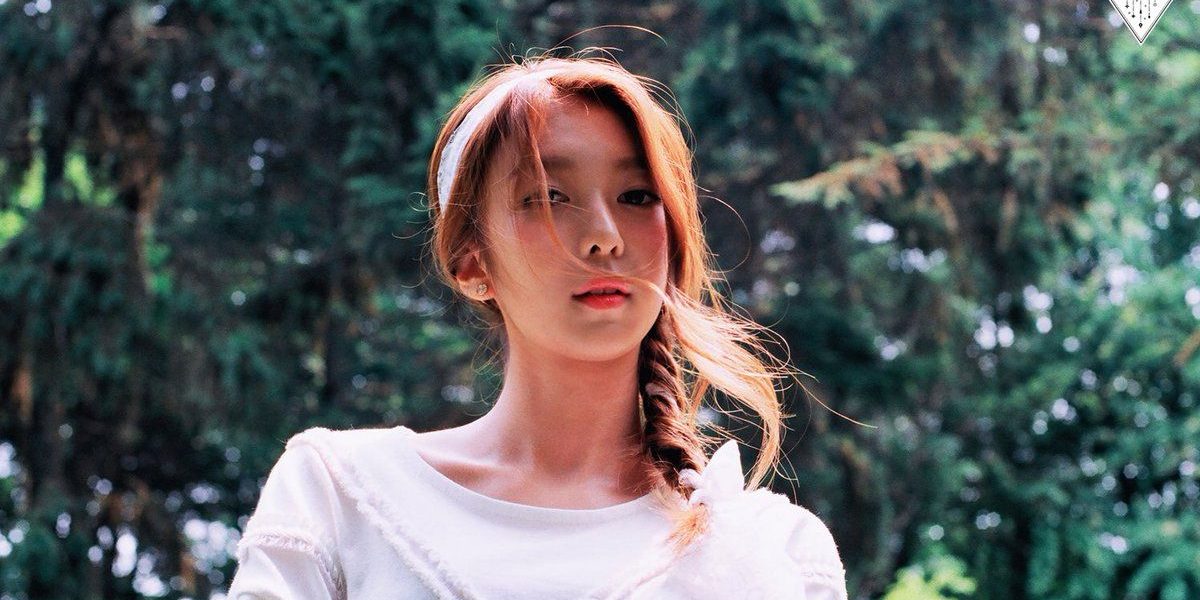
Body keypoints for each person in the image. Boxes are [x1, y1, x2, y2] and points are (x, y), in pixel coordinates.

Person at [227, 53, 848, 599]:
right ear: (472, 262)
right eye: (548, 197)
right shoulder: (341, 494)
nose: (604, 237)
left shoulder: (776, 551)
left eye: (637, 196)